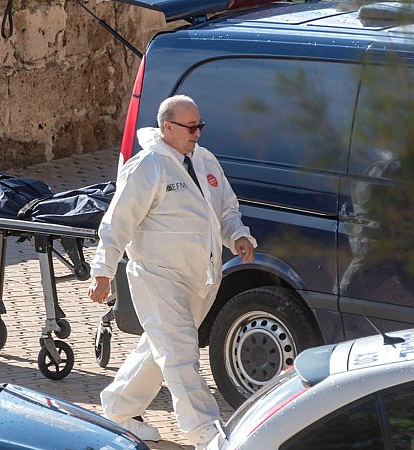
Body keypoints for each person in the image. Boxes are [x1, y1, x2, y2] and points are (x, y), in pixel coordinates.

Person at [88, 95, 257, 448]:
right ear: (168, 128)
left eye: (200, 125)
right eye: (190, 127)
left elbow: (226, 209)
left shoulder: (205, 160)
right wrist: (102, 271)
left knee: (159, 349)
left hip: (200, 279)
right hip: (158, 278)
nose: (197, 133)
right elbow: (117, 222)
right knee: (180, 355)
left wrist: (238, 235)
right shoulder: (147, 166)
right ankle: (207, 433)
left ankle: (118, 412)